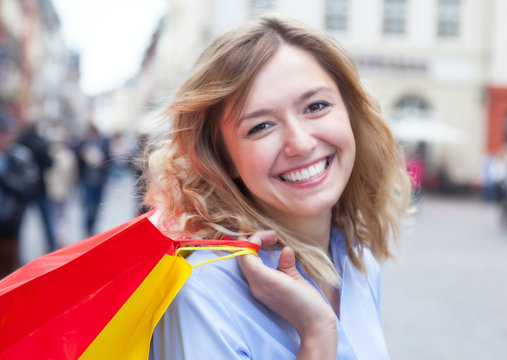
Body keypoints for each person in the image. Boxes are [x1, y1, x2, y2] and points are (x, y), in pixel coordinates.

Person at [146, 14, 410, 359]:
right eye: (261, 127)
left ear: (349, 113)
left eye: (316, 106)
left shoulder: (357, 260)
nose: (300, 143)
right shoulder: (203, 293)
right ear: (224, 159)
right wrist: (317, 334)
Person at [0, 106, 39, 278]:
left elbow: (28, 187)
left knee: (9, 273)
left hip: (10, 225)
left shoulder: (21, 157)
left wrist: (5, 179)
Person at [17, 123, 57, 252]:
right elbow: (50, 163)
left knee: (19, 223)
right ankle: (52, 248)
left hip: (24, 189)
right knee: (47, 221)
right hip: (40, 188)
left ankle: (18, 252)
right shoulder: (40, 143)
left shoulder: (21, 142)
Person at [75, 124, 111, 236]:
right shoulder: (84, 144)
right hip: (87, 180)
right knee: (88, 204)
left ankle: (92, 226)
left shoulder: (103, 144)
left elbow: (109, 160)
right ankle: (87, 226)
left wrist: (103, 163)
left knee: (96, 205)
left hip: (99, 180)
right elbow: (78, 159)